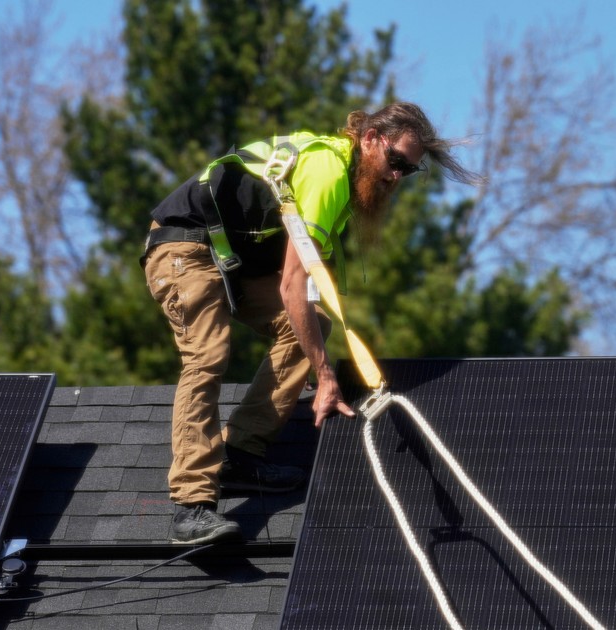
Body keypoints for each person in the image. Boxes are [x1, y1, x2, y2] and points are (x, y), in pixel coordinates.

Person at [142, 102, 480, 544]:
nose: (397, 176)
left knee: (313, 326)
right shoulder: (327, 171)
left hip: (232, 260)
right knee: (208, 355)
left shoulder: (341, 180)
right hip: (184, 247)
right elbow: (292, 285)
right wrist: (324, 374)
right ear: (370, 139)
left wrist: (306, 349)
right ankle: (192, 505)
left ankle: (240, 453)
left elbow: (308, 291)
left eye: (409, 171)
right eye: (396, 161)